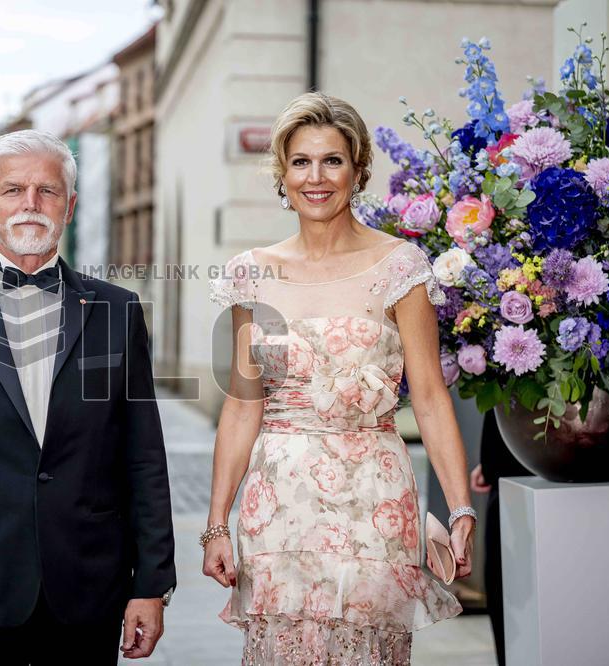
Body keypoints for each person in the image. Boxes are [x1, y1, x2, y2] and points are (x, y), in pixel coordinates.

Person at [0, 129, 176, 666]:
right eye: (14, 190)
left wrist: (152, 584)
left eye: (48, 191)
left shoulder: (118, 311)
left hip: (88, 589)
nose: (31, 204)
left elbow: (144, 458)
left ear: (70, 207)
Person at [203, 92, 475, 664]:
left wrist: (460, 509)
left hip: (375, 501)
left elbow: (429, 396)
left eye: (332, 161)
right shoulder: (251, 273)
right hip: (277, 504)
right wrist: (216, 525)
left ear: (358, 168)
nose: (316, 177)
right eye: (301, 162)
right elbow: (244, 403)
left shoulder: (400, 267)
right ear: (282, 173)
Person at [471, 411, 530, 666]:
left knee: (516, 597)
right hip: (507, 465)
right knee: (503, 593)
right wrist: (491, 459)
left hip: (530, 467)